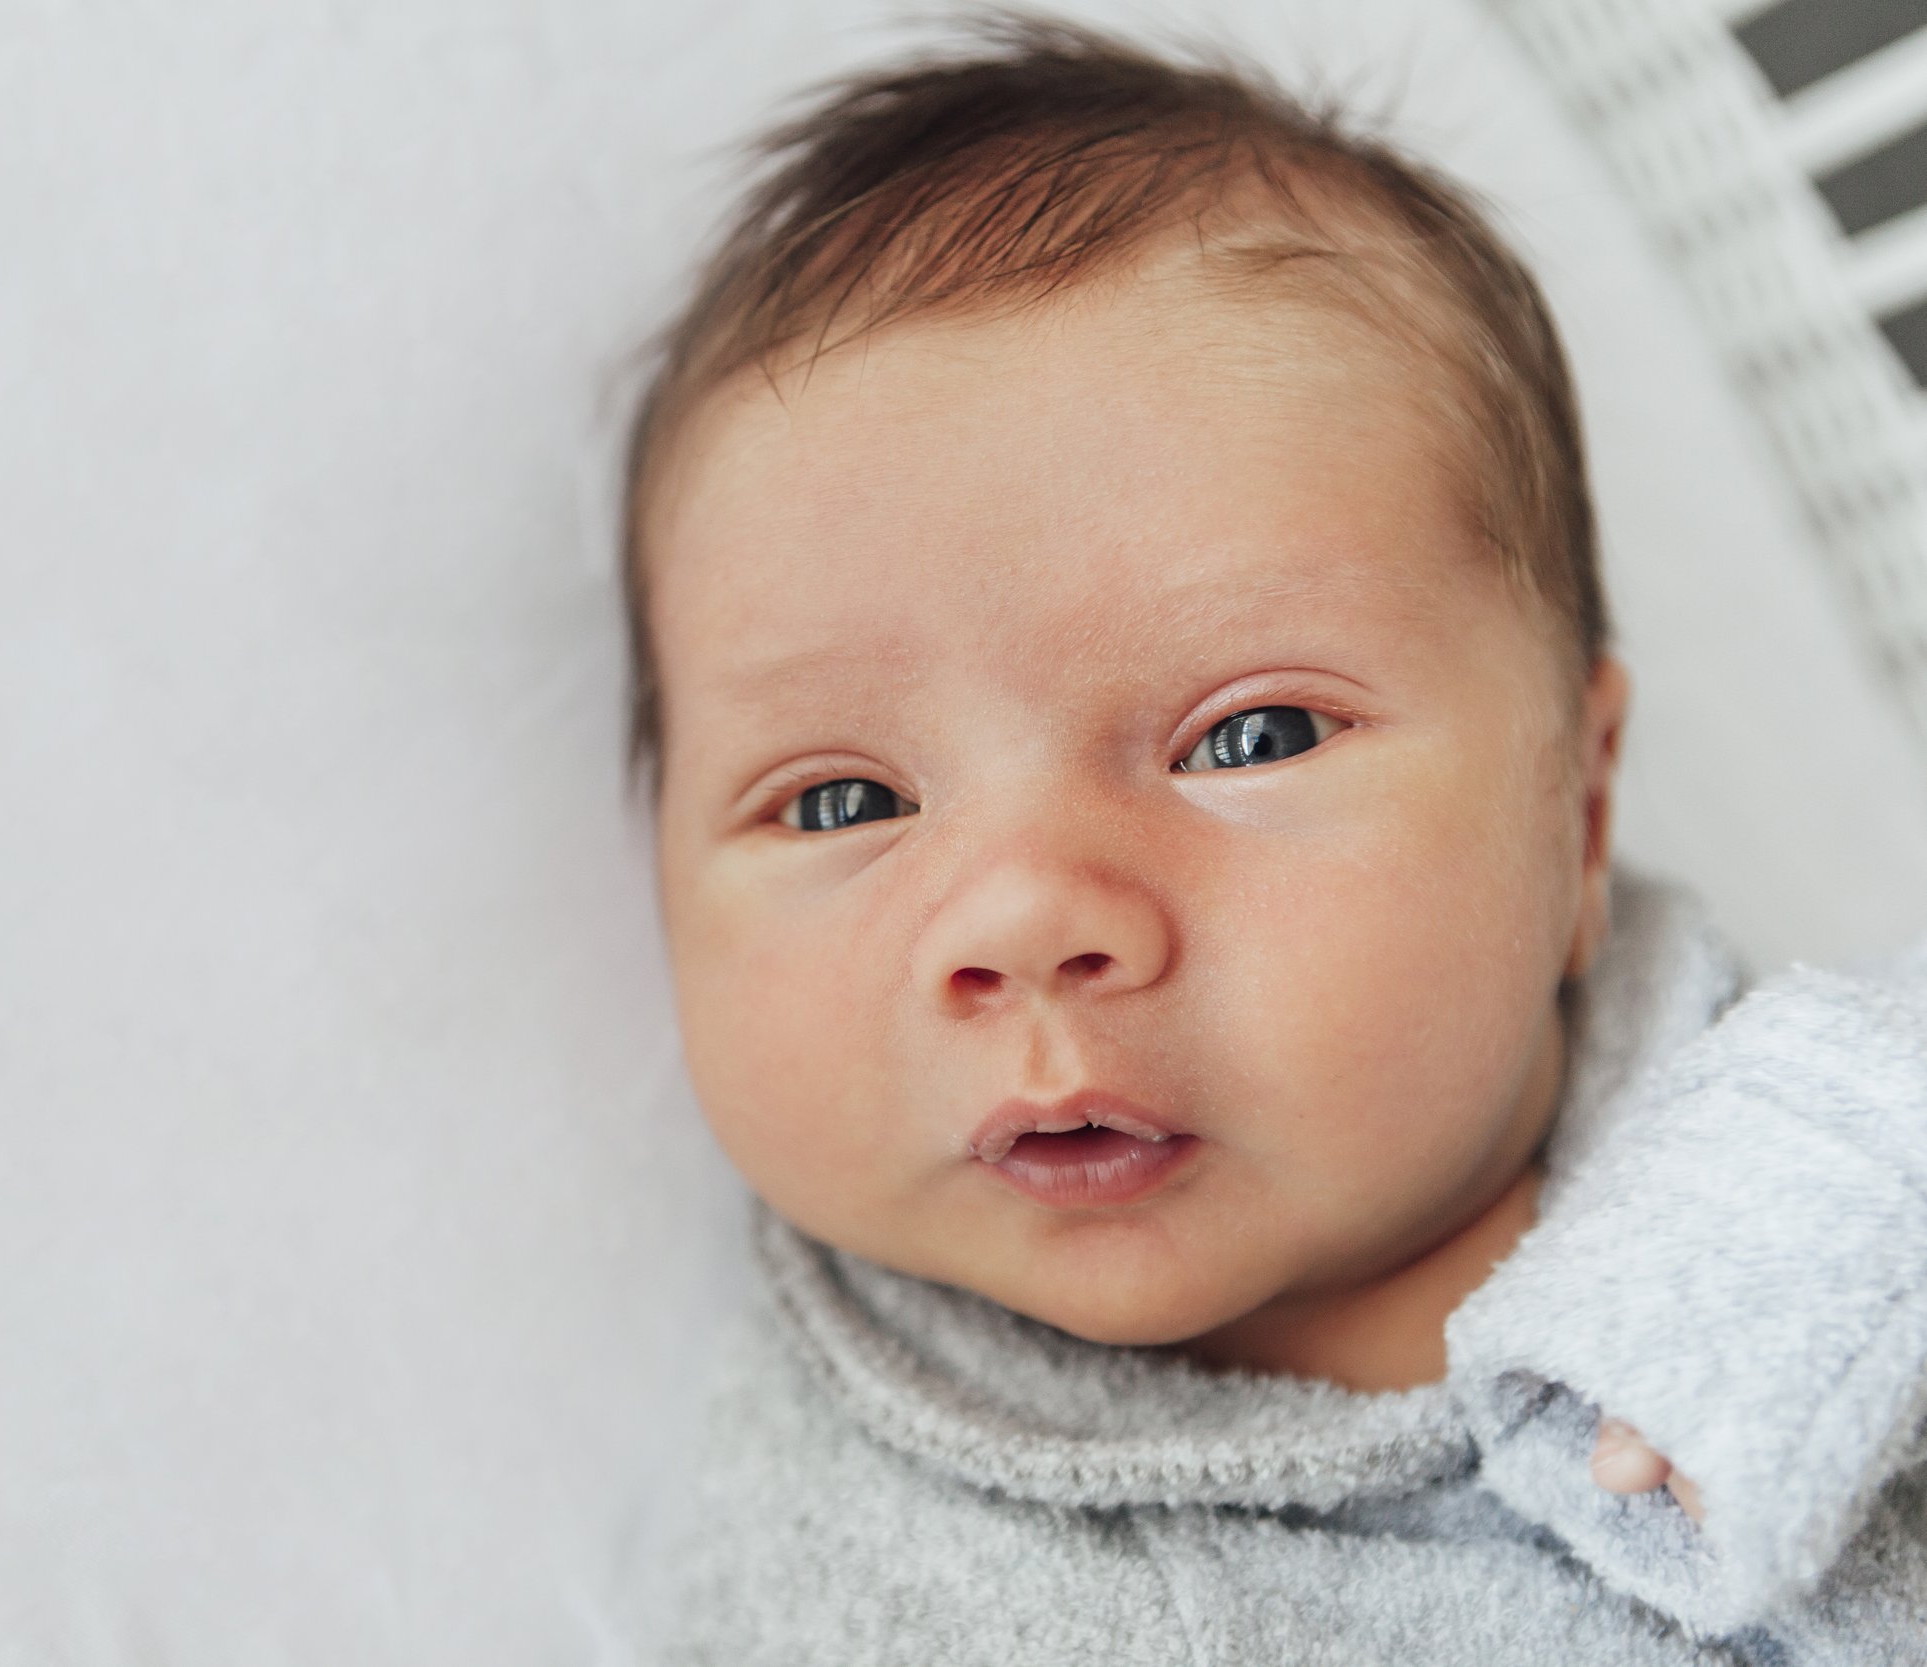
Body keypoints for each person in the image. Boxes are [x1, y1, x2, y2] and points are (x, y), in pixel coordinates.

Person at [613, 13, 1927, 1662]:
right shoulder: (847, 1580)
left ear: (1579, 818)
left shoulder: (1829, 1132)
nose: (1025, 919)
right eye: (843, 802)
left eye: (1247, 737)